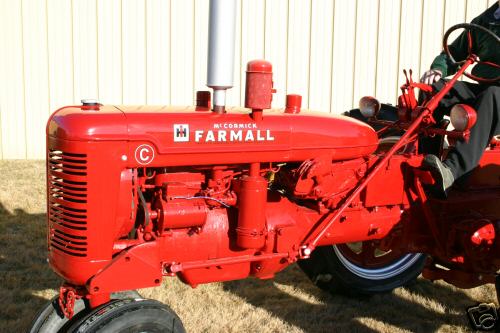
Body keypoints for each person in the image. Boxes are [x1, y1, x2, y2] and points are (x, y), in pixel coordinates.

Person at [420, 1, 500, 197]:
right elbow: (454, 53)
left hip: (495, 95)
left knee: (491, 96)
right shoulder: (486, 20)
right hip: (486, 87)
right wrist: (438, 68)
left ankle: (452, 172)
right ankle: (426, 159)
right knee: (434, 90)